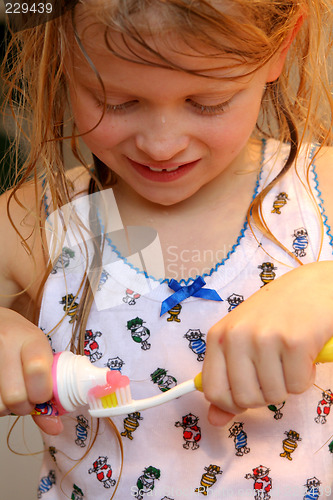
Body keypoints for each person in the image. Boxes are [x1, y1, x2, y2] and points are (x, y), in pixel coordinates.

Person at [1, 0, 333, 498]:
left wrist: (323, 288)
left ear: (278, 52)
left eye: (207, 102)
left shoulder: (322, 189)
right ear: (62, 54)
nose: (162, 145)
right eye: (115, 101)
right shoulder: (32, 224)